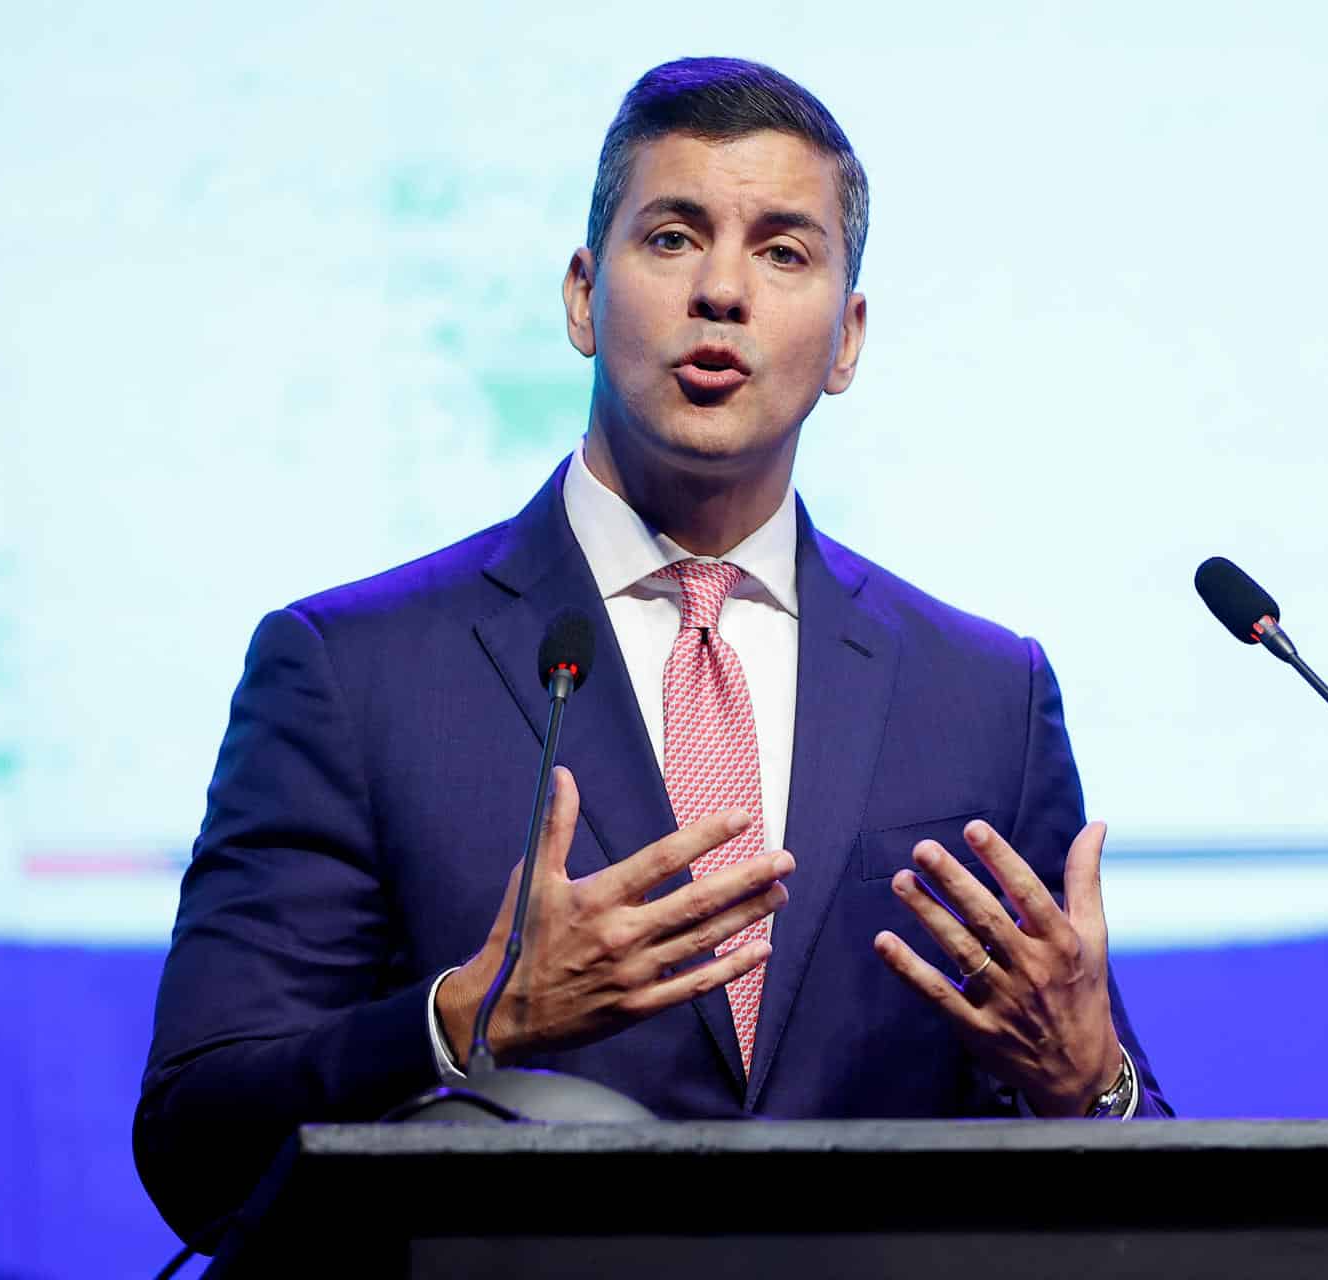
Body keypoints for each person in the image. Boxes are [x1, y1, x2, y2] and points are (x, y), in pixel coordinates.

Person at [135, 56, 1172, 1249]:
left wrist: (1087, 1080)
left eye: (785, 251)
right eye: (673, 237)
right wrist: (460, 1021)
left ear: (848, 337)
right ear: (583, 295)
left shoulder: (982, 693)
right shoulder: (349, 670)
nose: (723, 290)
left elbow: (1127, 1156)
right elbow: (194, 1142)